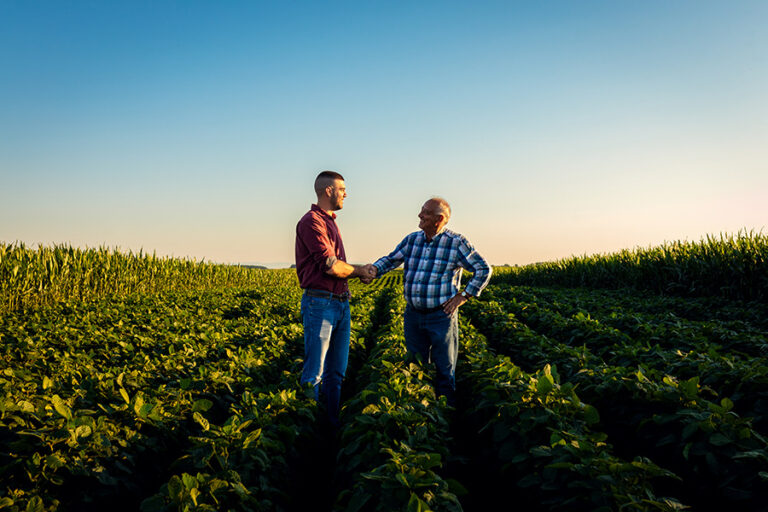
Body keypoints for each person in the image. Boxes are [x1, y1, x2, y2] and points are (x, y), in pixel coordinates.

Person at [367, 197, 491, 405]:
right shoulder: (412, 240)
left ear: (439, 219)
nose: (419, 215)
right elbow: (391, 260)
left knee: (444, 368)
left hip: (440, 316)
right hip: (413, 315)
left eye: (425, 212)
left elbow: (483, 269)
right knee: (415, 366)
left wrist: (464, 296)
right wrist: (371, 270)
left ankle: (444, 416)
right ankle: (418, 408)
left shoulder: (456, 243)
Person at [295, 171, 373, 426]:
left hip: (339, 303)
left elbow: (338, 267)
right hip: (321, 304)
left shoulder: (330, 221)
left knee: (336, 373)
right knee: (315, 374)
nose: (346, 194)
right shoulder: (311, 222)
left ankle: (330, 426)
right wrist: (361, 271)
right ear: (328, 191)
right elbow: (330, 266)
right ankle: (310, 429)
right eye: (342, 189)